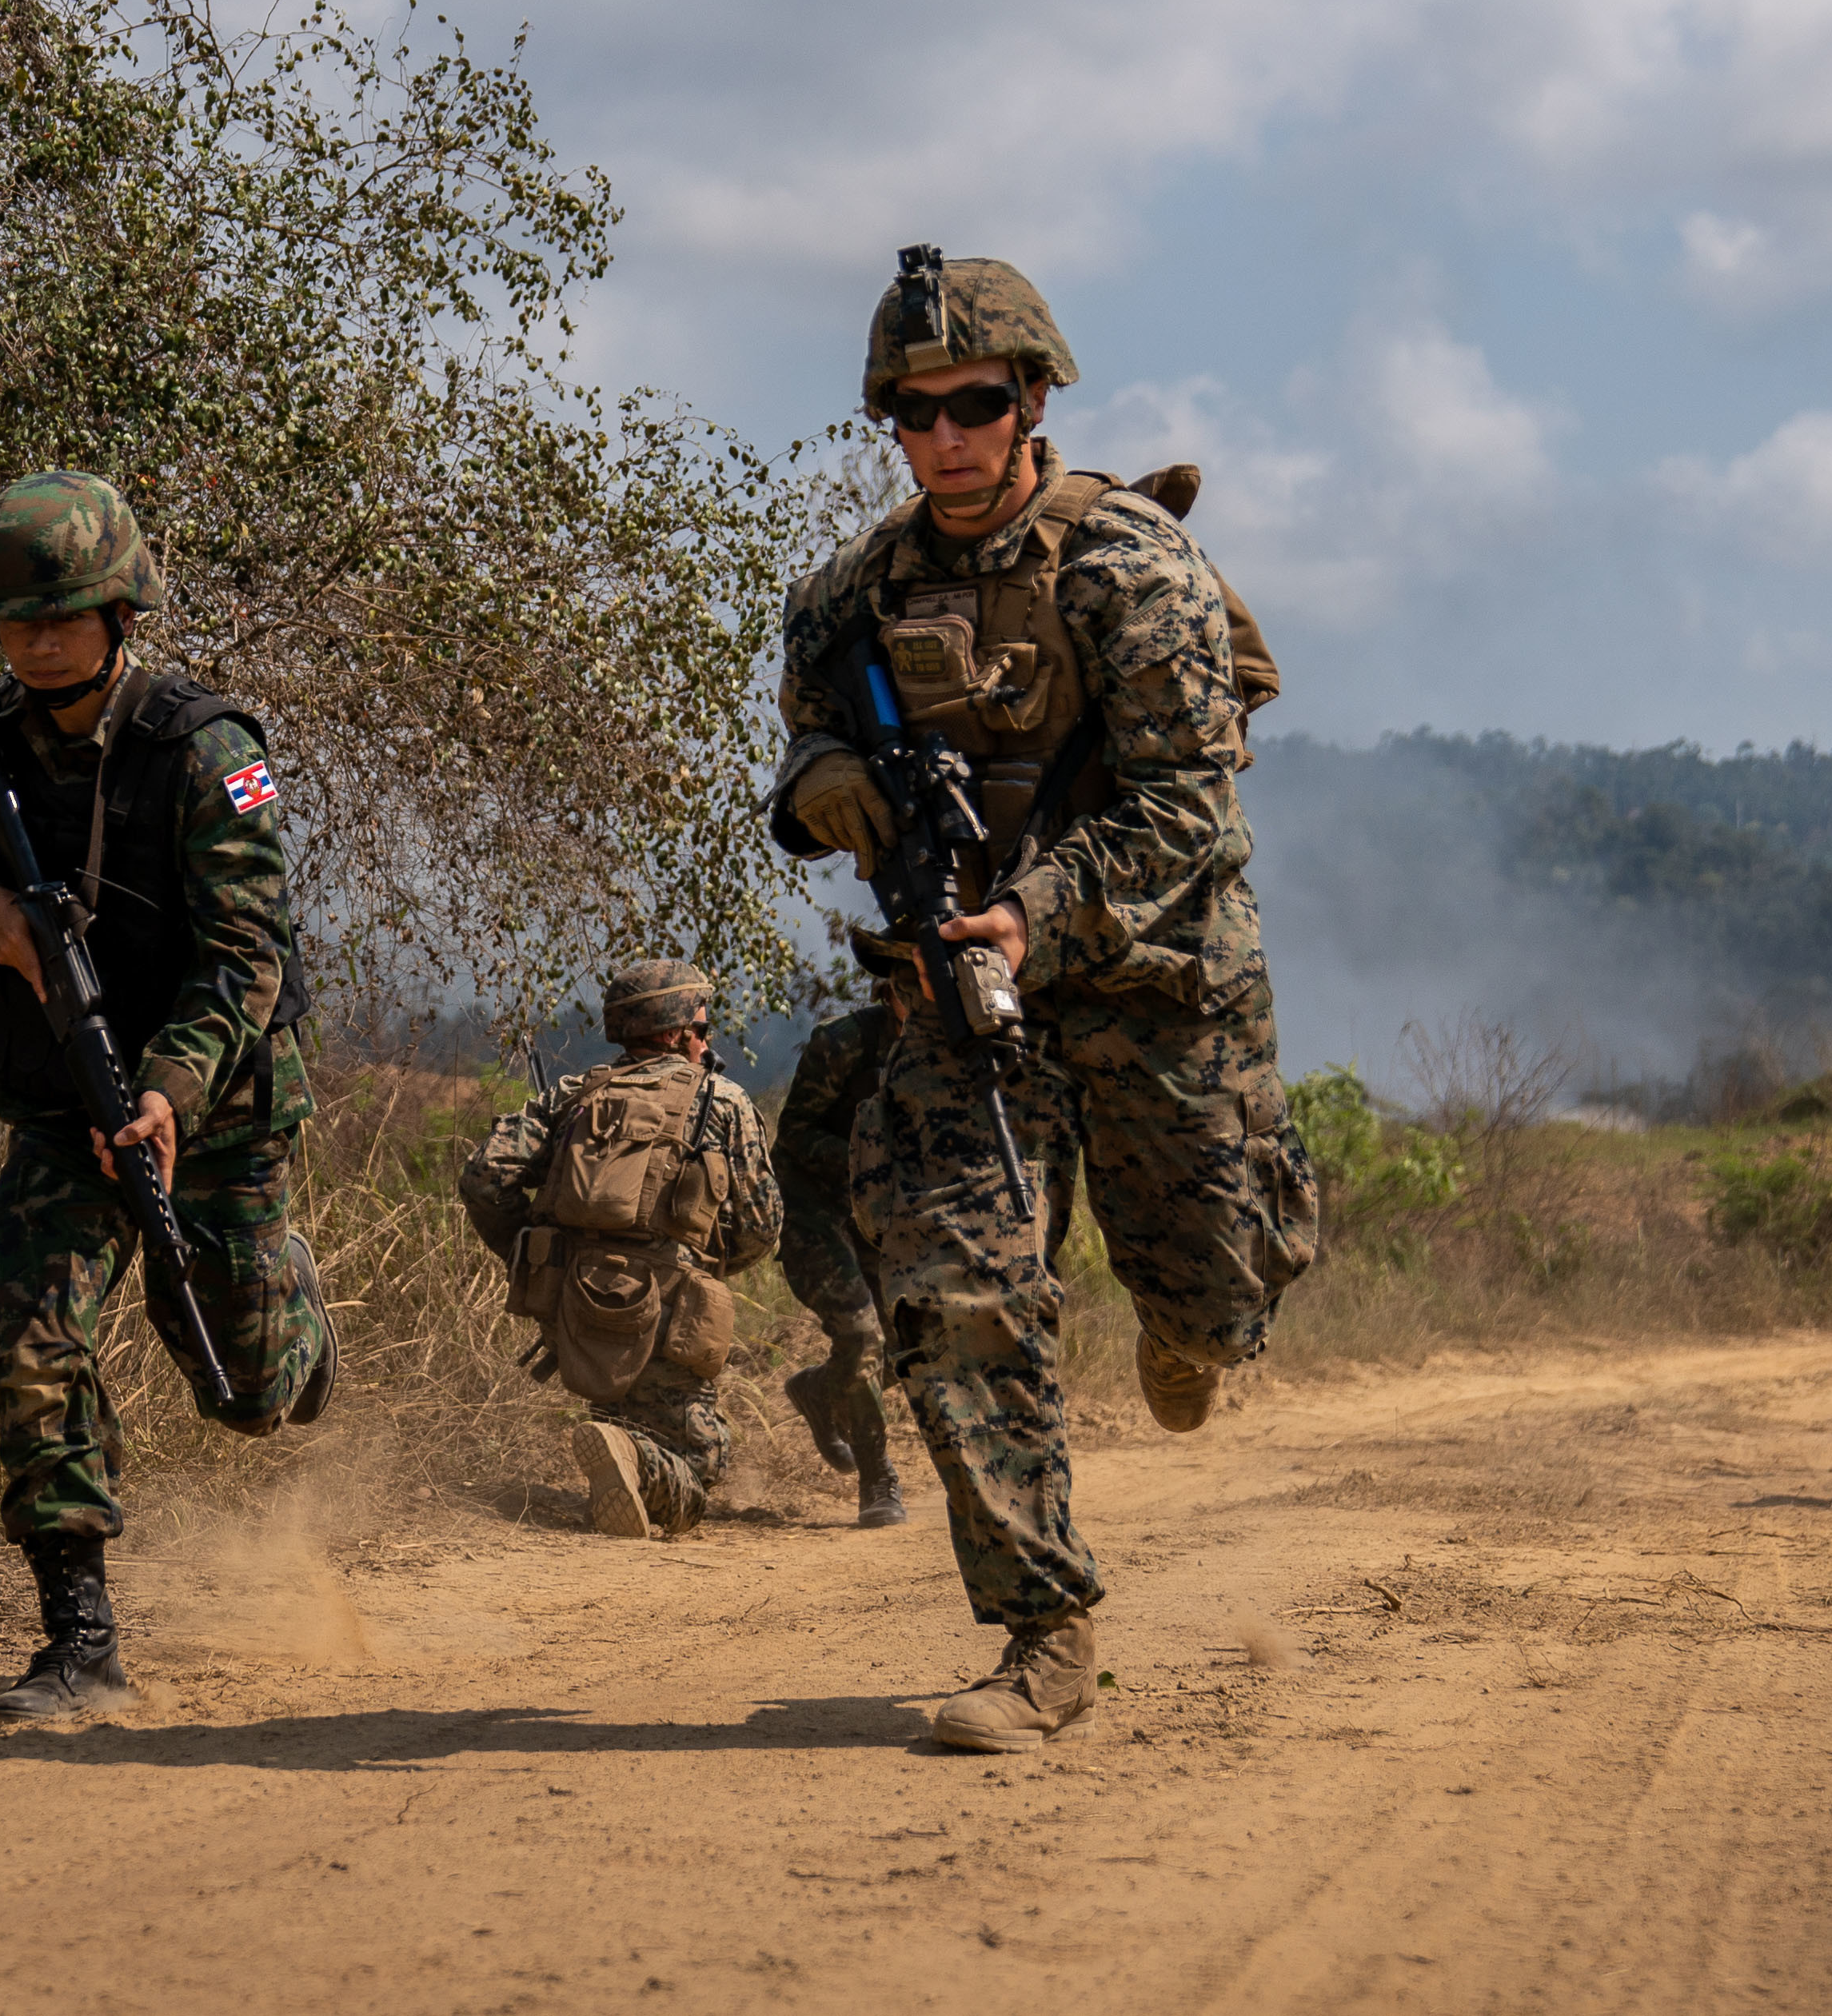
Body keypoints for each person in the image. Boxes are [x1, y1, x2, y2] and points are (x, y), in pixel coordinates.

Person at [772, 248, 1317, 1754]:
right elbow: (806, 741)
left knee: (1211, 1286)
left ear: (1031, 403)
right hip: (953, 994)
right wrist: (837, 798)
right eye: (913, 410)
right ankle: (1042, 1634)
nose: (943, 434)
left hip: (1148, 984)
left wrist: (1035, 911)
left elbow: (1185, 811)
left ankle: (1197, 1323)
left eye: (974, 404)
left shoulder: (1132, 570)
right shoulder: (855, 595)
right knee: (952, 1289)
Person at [0, 470, 333, 1722]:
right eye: (17, 619)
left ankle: (293, 1314)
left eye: (68, 614)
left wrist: (170, 1090)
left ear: (123, 615)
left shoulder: (206, 749)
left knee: (247, 1392)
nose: (39, 638)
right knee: (38, 1338)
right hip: (60, 1100)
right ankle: (78, 1639)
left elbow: (247, 951)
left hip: (219, 1098)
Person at [459, 962, 781, 1540]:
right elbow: (762, 1226)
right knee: (700, 1470)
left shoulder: (574, 1094)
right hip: (673, 1311)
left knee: (618, 1410)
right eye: (703, 1028)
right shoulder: (725, 1101)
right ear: (675, 1032)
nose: (708, 1040)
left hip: (575, 1302)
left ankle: (621, 1463)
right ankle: (632, 1457)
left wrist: (531, 1252)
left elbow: (484, 1176)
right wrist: (703, 1261)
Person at [773, 994, 912, 1529]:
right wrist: (865, 1156)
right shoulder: (842, 1042)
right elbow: (794, 1133)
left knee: (918, 1342)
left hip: (883, 1215)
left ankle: (819, 1389)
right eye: (911, 985)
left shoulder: (949, 1044)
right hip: (814, 1209)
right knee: (860, 1335)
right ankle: (878, 1475)